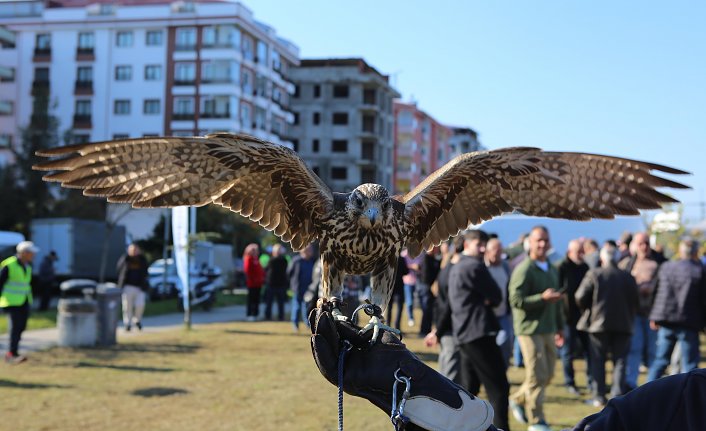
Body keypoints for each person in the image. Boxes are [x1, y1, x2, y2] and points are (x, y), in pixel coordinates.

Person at [448, 230, 510, 431]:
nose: (483, 248)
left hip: (464, 333)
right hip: (479, 333)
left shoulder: (456, 267)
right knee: (498, 389)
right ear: (466, 244)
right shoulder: (474, 266)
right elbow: (497, 296)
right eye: (478, 244)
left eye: (485, 244)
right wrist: (486, 300)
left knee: (469, 391)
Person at [508, 225, 564, 431]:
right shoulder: (524, 269)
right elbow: (515, 300)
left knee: (548, 374)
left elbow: (556, 301)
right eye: (538, 240)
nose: (542, 244)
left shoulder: (551, 268)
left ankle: (517, 398)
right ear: (529, 243)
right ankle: (536, 419)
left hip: (548, 327)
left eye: (545, 240)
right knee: (537, 375)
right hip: (529, 329)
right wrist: (542, 298)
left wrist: (560, 327)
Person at [575, 244, 638, 407]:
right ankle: (616, 395)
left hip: (598, 325)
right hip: (623, 324)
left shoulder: (594, 274)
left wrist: (588, 309)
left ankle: (598, 396)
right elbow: (635, 301)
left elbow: (580, 296)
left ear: (602, 258)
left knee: (598, 360)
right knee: (620, 361)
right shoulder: (627, 277)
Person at [646, 238, 706, 382]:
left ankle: (644, 396)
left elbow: (655, 291)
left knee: (660, 360)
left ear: (680, 251)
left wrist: (654, 316)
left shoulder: (667, 267)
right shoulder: (698, 270)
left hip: (667, 319)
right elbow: (703, 299)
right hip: (688, 321)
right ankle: (691, 399)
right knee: (690, 365)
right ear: (696, 252)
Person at [619, 232, 661, 389]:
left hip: (651, 314)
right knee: (634, 348)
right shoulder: (625, 265)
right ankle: (631, 383)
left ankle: (652, 385)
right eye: (641, 243)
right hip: (633, 314)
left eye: (647, 243)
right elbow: (620, 289)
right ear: (635, 246)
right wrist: (637, 288)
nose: (644, 247)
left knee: (652, 350)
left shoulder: (656, 265)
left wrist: (651, 288)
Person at [424, 236, 465, 384]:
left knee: (447, 370)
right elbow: (447, 304)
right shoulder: (453, 271)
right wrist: (438, 331)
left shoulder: (447, 268)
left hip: (446, 328)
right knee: (449, 378)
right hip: (449, 330)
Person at [556, 239, 591, 396]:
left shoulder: (585, 267)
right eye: (578, 251)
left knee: (589, 351)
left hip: (583, 317)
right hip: (567, 317)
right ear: (569, 252)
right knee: (567, 353)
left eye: (582, 251)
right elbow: (558, 292)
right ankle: (570, 382)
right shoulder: (561, 267)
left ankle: (591, 382)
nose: (581, 254)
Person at [1, 241, 39, 364]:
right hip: (11, 302)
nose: (33, 255)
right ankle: (11, 354)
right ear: (24, 253)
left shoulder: (27, 265)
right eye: (31, 252)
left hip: (24, 301)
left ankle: (14, 352)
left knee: (21, 327)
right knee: (15, 328)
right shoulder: (9, 264)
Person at [485, 237, 514, 369]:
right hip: (486, 315)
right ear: (487, 251)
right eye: (495, 250)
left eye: (500, 250)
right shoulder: (482, 267)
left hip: (503, 314)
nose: (497, 253)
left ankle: (502, 368)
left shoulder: (505, 266)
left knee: (505, 341)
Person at [116, 243, 149, 331]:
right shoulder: (126, 259)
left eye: (135, 250)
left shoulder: (142, 259)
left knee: (140, 305)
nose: (134, 252)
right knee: (127, 306)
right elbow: (118, 269)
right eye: (132, 250)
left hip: (139, 287)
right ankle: (127, 323)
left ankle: (137, 320)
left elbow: (146, 272)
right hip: (127, 286)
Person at [288, 244, 315, 331]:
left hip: (309, 289)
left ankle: (308, 324)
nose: (310, 252)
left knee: (307, 307)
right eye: (308, 250)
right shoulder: (296, 260)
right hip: (298, 288)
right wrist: (292, 285)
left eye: (311, 250)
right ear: (303, 250)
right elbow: (289, 273)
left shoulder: (312, 261)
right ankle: (295, 324)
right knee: (296, 307)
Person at [418, 247, 441, 336]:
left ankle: (426, 329)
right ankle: (424, 330)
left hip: (429, 287)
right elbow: (426, 275)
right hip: (426, 287)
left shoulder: (433, 258)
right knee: (426, 310)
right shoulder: (426, 258)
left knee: (429, 310)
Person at [264, 244, 289, 321]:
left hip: (281, 284)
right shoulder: (271, 260)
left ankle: (281, 317)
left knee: (281, 303)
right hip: (271, 284)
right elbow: (266, 270)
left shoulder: (284, 260)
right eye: (276, 251)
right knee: (269, 302)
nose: (278, 252)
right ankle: (267, 316)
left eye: (279, 251)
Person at [386, 255, 409, 330]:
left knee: (389, 307)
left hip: (389, 285)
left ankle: (388, 325)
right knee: (399, 307)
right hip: (399, 285)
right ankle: (397, 326)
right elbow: (406, 271)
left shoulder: (387, 258)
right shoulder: (401, 259)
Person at [243, 243, 265, 321]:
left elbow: (260, 270)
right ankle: (250, 314)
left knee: (257, 299)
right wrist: (254, 279)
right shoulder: (248, 258)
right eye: (253, 250)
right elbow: (247, 271)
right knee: (251, 300)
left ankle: (256, 314)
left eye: (256, 250)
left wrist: (262, 278)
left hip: (258, 283)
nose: (255, 251)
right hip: (252, 283)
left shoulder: (256, 259)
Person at [401, 248, 422, 327]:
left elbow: (419, 265)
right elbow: (403, 266)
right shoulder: (404, 254)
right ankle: (411, 318)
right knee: (409, 301)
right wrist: (412, 266)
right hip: (407, 281)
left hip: (417, 281)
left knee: (415, 301)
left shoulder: (417, 253)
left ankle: (412, 317)